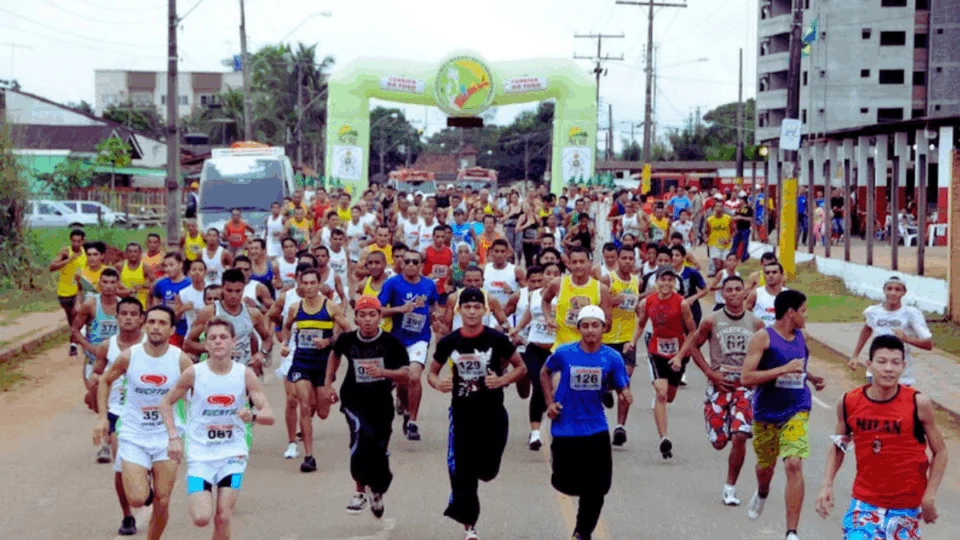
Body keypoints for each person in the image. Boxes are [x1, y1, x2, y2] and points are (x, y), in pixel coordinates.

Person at [815, 334, 948, 540]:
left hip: (906, 509)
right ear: (869, 364)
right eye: (882, 361)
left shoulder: (918, 403)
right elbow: (838, 445)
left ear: (903, 366)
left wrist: (929, 495)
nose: (888, 368)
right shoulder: (849, 402)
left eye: (895, 363)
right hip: (864, 504)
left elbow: (940, 451)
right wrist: (827, 485)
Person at [160, 317, 275, 540]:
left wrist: (254, 416)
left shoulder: (244, 374)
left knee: (223, 515)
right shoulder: (194, 373)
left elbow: (269, 414)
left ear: (233, 341)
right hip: (199, 456)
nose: (218, 342)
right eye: (212, 338)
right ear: (206, 344)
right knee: (201, 518)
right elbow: (165, 402)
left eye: (223, 337)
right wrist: (173, 437)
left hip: (233, 455)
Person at [428, 287, 527, 540]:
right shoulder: (450, 341)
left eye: (476, 307)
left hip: (492, 413)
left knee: (488, 471)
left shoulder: (496, 339)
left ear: (484, 310)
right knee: (464, 471)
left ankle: (484, 474)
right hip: (462, 414)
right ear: (459, 310)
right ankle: (469, 527)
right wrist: (439, 384)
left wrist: (502, 381)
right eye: (467, 307)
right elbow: (432, 372)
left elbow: (521, 368)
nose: (472, 312)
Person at [93, 306, 192, 540]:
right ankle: (142, 479)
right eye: (152, 322)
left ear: (172, 329)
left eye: (162, 323)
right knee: (137, 498)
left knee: (163, 499)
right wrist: (101, 418)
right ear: (145, 325)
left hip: (166, 437)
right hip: (134, 434)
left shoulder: (180, 359)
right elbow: (105, 381)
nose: (156, 327)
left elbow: (200, 391)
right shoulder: (130, 356)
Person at [740, 289, 827, 540]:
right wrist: (782, 370)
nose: (806, 315)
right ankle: (763, 492)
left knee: (793, 463)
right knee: (765, 467)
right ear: (791, 312)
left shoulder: (802, 337)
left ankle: (791, 532)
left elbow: (797, 366)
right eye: (803, 310)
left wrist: (811, 377)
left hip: (796, 407)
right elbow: (746, 378)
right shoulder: (762, 338)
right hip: (767, 411)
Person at [542, 305, 633, 540]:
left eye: (595, 325)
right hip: (566, 426)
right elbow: (545, 372)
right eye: (585, 325)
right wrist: (550, 403)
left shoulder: (612, 357)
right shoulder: (565, 352)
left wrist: (624, 393)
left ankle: (582, 532)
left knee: (598, 487)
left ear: (604, 328)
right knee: (565, 483)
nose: (590, 330)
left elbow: (621, 383)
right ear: (579, 328)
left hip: (596, 426)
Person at [674, 275, 764, 506]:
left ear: (745, 293)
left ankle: (730, 487)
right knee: (719, 441)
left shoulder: (756, 324)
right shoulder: (711, 321)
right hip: (718, 385)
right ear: (723, 294)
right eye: (729, 290)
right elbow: (692, 345)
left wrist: (756, 378)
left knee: (740, 435)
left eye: (738, 289)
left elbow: (765, 354)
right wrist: (709, 373)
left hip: (744, 388)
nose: (734, 294)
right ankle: (715, 422)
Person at [325, 296, 410, 518]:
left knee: (379, 449)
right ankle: (359, 492)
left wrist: (385, 373)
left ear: (380, 317)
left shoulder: (391, 343)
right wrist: (328, 384)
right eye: (363, 315)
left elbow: (406, 374)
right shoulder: (348, 339)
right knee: (362, 436)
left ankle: (377, 490)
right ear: (356, 318)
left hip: (381, 403)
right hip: (353, 401)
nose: (368, 320)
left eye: (373, 315)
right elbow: (334, 355)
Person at [280, 268, 352, 472]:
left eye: (313, 283)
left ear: (319, 284)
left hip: (323, 364)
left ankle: (324, 397)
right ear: (300, 285)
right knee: (303, 405)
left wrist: (329, 340)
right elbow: (285, 326)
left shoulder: (331, 308)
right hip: (301, 361)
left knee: (322, 413)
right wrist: (285, 343)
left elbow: (348, 331)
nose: (309, 287)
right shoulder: (295, 308)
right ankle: (309, 456)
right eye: (306, 283)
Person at [88, 297, 145, 536]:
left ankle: (145, 489)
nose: (129, 317)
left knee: (145, 465)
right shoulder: (107, 346)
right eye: (124, 313)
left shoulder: (151, 344)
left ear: (142, 318)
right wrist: (97, 405)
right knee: (121, 466)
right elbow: (97, 375)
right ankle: (127, 515)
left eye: (134, 313)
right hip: (117, 413)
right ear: (117, 317)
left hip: (147, 415)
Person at [378, 249, 444, 441]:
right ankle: (405, 407)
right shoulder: (392, 284)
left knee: (414, 377)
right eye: (407, 261)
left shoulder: (428, 285)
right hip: (397, 339)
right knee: (402, 380)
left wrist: (436, 318)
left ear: (421, 265)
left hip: (419, 339)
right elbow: (378, 309)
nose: (411, 265)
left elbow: (434, 305)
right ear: (401, 263)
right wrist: (400, 309)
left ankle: (413, 422)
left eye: (415, 262)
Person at [634, 266, 697, 459]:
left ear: (675, 283)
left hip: (678, 352)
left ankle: (661, 399)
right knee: (661, 393)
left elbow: (692, 332)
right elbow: (641, 323)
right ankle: (664, 439)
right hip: (656, 352)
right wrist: (632, 341)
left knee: (669, 396)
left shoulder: (682, 303)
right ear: (657, 282)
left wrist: (679, 356)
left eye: (670, 280)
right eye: (663, 280)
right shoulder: (648, 301)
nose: (666, 284)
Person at [848, 276, 933, 386]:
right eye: (889, 289)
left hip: (901, 376)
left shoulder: (911, 314)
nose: (893, 293)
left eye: (898, 289)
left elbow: (928, 344)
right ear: (884, 290)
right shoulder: (873, 312)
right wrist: (855, 355)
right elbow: (867, 328)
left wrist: (907, 339)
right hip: (876, 372)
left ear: (904, 292)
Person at [184, 269, 272, 373]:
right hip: (215, 370)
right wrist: (213, 348)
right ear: (222, 288)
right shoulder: (210, 311)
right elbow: (188, 343)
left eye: (238, 291)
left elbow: (267, 339)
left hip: (244, 371)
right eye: (229, 290)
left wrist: (261, 353)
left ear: (244, 289)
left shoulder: (253, 313)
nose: (233, 295)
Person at [600, 247, 641, 447]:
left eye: (630, 258)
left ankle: (620, 427)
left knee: (624, 380)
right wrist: (615, 300)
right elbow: (599, 303)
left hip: (627, 339)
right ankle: (605, 389)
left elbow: (638, 308)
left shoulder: (636, 281)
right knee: (609, 380)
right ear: (617, 260)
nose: (626, 261)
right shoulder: (608, 280)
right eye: (623, 258)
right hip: (607, 338)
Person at [540, 247, 612, 351]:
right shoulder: (558, 284)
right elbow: (545, 300)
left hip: (589, 350)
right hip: (562, 348)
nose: (578, 266)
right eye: (574, 262)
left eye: (582, 262)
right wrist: (548, 318)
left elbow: (608, 323)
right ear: (569, 264)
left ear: (589, 263)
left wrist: (592, 326)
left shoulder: (601, 289)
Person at [73, 269, 121, 414]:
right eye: (105, 282)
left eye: (112, 282)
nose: (108, 286)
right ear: (99, 283)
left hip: (115, 361)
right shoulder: (91, 305)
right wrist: (90, 347)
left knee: (109, 408)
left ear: (118, 284)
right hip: (93, 360)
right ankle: (91, 397)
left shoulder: (123, 306)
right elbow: (75, 329)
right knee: (97, 405)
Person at [150, 252, 192, 346]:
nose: (168, 268)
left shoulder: (190, 283)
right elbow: (154, 303)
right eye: (165, 266)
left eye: (171, 265)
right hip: (169, 328)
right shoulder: (161, 283)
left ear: (181, 264)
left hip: (187, 326)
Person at [746, 262, 790, 328]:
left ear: (782, 275)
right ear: (764, 276)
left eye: (774, 272)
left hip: (782, 335)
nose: (770, 275)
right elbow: (744, 313)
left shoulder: (789, 294)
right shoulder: (756, 293)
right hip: (760, 334)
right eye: (767, 273)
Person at [117, 242, 152, 309]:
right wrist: (126, 290)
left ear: (140, 253)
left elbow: (154, 283)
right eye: (130, 252)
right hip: (123, 302)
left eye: (135, 252)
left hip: (141, 303)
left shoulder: (145, 267)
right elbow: (114, 282)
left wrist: (143, 285)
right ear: (126, 253)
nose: (133, 254)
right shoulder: (120, 266)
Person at [706, 201, 733, 276]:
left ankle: (721, 280)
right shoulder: (709, 220)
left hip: (726, 244)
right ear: (713, 208)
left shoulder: (728, 219)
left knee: (724, 265)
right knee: (717, 264)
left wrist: (729, 239)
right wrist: (706, 238)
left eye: (720, 206)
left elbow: (733, 230)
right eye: (717, 206)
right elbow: (706, 231)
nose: (719, 208)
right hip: (714, 244)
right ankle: (717, 278)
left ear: (723, 208)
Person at [730, 194, 754, 261]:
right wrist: (735, 219)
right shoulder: (738, 208)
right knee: (735, 242)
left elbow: (751, 218)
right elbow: (734, 216)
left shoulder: (748, 209)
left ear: (744, 200)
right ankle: (732, 255)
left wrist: (742, 218)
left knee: (745, 243)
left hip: (745, 229)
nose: (739, 201)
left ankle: (744, 256)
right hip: (738, 228)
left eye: (741, 199)